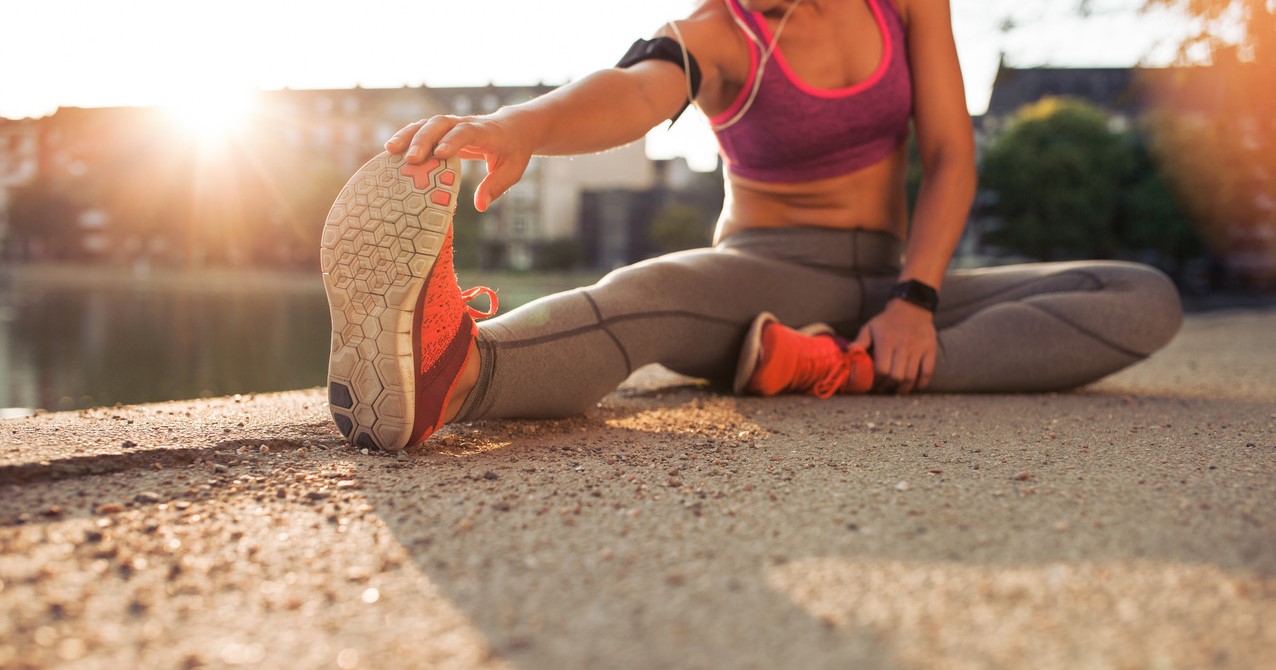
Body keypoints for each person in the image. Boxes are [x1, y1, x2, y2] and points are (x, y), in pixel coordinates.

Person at [319, 0, 1183, 452]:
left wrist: (916, 299)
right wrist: (521, 127)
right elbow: (634, 91)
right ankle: (451, 374)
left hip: (895, 290)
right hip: (762, 284)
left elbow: (954, 157)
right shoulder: (716, 32)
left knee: (1138, 295)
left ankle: (840, 368)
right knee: (648, 293)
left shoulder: (906, 3)